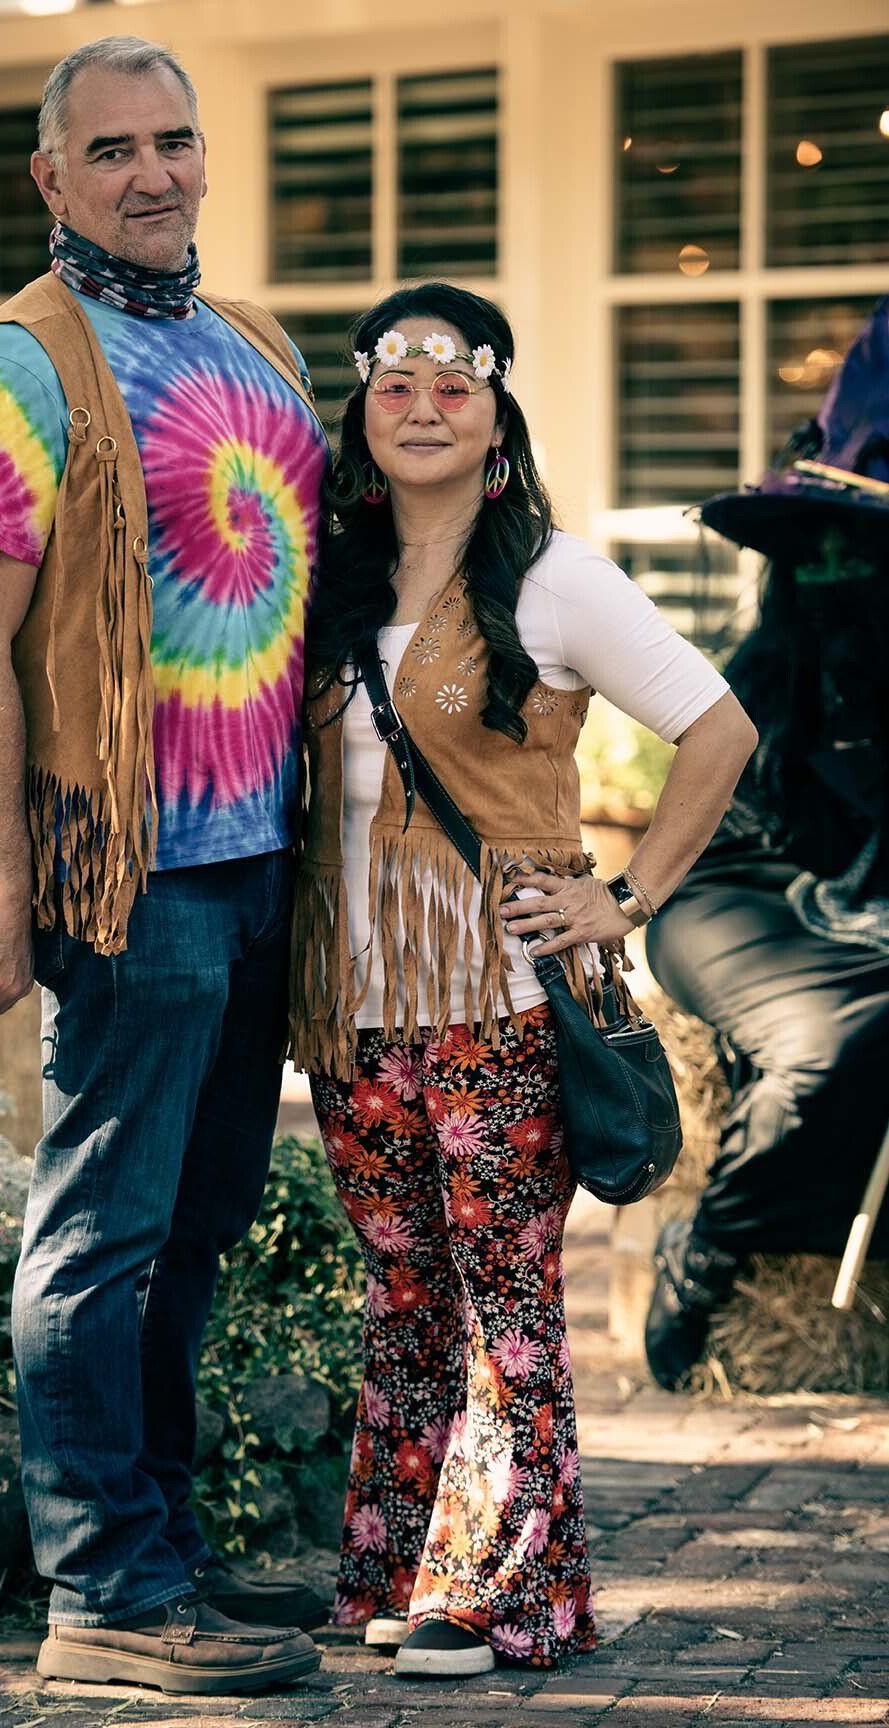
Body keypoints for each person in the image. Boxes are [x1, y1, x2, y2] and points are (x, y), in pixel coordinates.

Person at [0, 36, 328, 1695]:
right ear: (51, 178)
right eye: (112, 151)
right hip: (127, 871)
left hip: (259, 865)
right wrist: (2, 888)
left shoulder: (254, 342)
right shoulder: (14, 367)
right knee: (101, 1228)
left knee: (198, 1221)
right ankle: (100, 1593)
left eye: (174, 140)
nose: (151, 172)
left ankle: (162, 1559)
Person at [289, 283, 757, 1678]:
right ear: (361, 416)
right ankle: (397, 1564)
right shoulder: (324, 577)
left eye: (455, 384)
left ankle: (496, 1595)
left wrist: (626, 894)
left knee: (503, 1295)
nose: (423, 406)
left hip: (499, 998)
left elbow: (718, 729)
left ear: (497, 417)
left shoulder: (551, 574)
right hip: (351, 1009)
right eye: (394, 384)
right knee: (403, 1293)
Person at [644, 297, 889, 1391]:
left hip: (861, 907)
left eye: (858, 543)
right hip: (729, 886)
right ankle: (710, 1250)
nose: (832, 564)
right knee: (832, 1035)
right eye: (816, 543)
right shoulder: (769, 667)